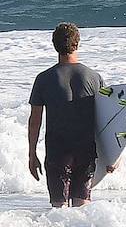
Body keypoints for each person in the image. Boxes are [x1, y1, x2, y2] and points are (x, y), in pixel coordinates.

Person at [28, 22, 107, 207]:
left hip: (57, 152)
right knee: (82, 212)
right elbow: (106, 120)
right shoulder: (94, 77)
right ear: (77, 45)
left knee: (59, 212)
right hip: (86, 151)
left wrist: (32, 154)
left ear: (55, 46)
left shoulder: (43, 79)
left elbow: (35, 121)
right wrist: (112, 156)